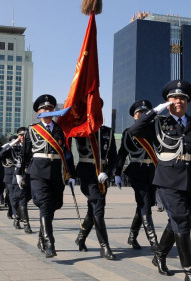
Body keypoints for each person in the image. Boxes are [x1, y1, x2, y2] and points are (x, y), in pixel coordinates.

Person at [128, 80, 191, 281]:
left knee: (177, 222)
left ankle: (160, 255)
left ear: (187, 101)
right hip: (168, 180)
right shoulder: (158, 122)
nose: (178, 101)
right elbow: (135, 130)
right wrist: (155, 111)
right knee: (182, 222)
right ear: (167, 101)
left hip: (190, 180)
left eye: (182, 98)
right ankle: (190, 271)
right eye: (173, 98)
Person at [17, 94, 75, 258]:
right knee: (44, 204)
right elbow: (25, 153)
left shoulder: (60, 130)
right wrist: (19, 173)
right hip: (38, 172)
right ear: (39, 112)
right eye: (44, 109)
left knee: (54, 205)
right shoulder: (32, 129)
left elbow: (67, 154)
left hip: (56, 173)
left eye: (50, 108)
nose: (47, 111)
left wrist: (70, 174)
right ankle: (50, 243)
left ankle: (42, 238)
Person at [73, 98, 117, 260]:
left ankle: (81, 238)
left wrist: (109, 173)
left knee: (93, 209)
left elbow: (114, 157)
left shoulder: (108, 132)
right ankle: (104, 246)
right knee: (98, 206)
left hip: (102, 175)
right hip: (87, 173)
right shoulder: (81, 130)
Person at [113, 100, 159, 255]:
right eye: (139, 113)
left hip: (153, 171)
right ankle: (154, 242)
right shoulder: (129, 132)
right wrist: (117, 173)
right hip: (137, 171)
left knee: (144, 205)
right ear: (134, 116)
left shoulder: (155, 129)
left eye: (145, 113)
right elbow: (122, 154)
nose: (142, 115)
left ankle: (132, 236)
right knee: (145, 205)